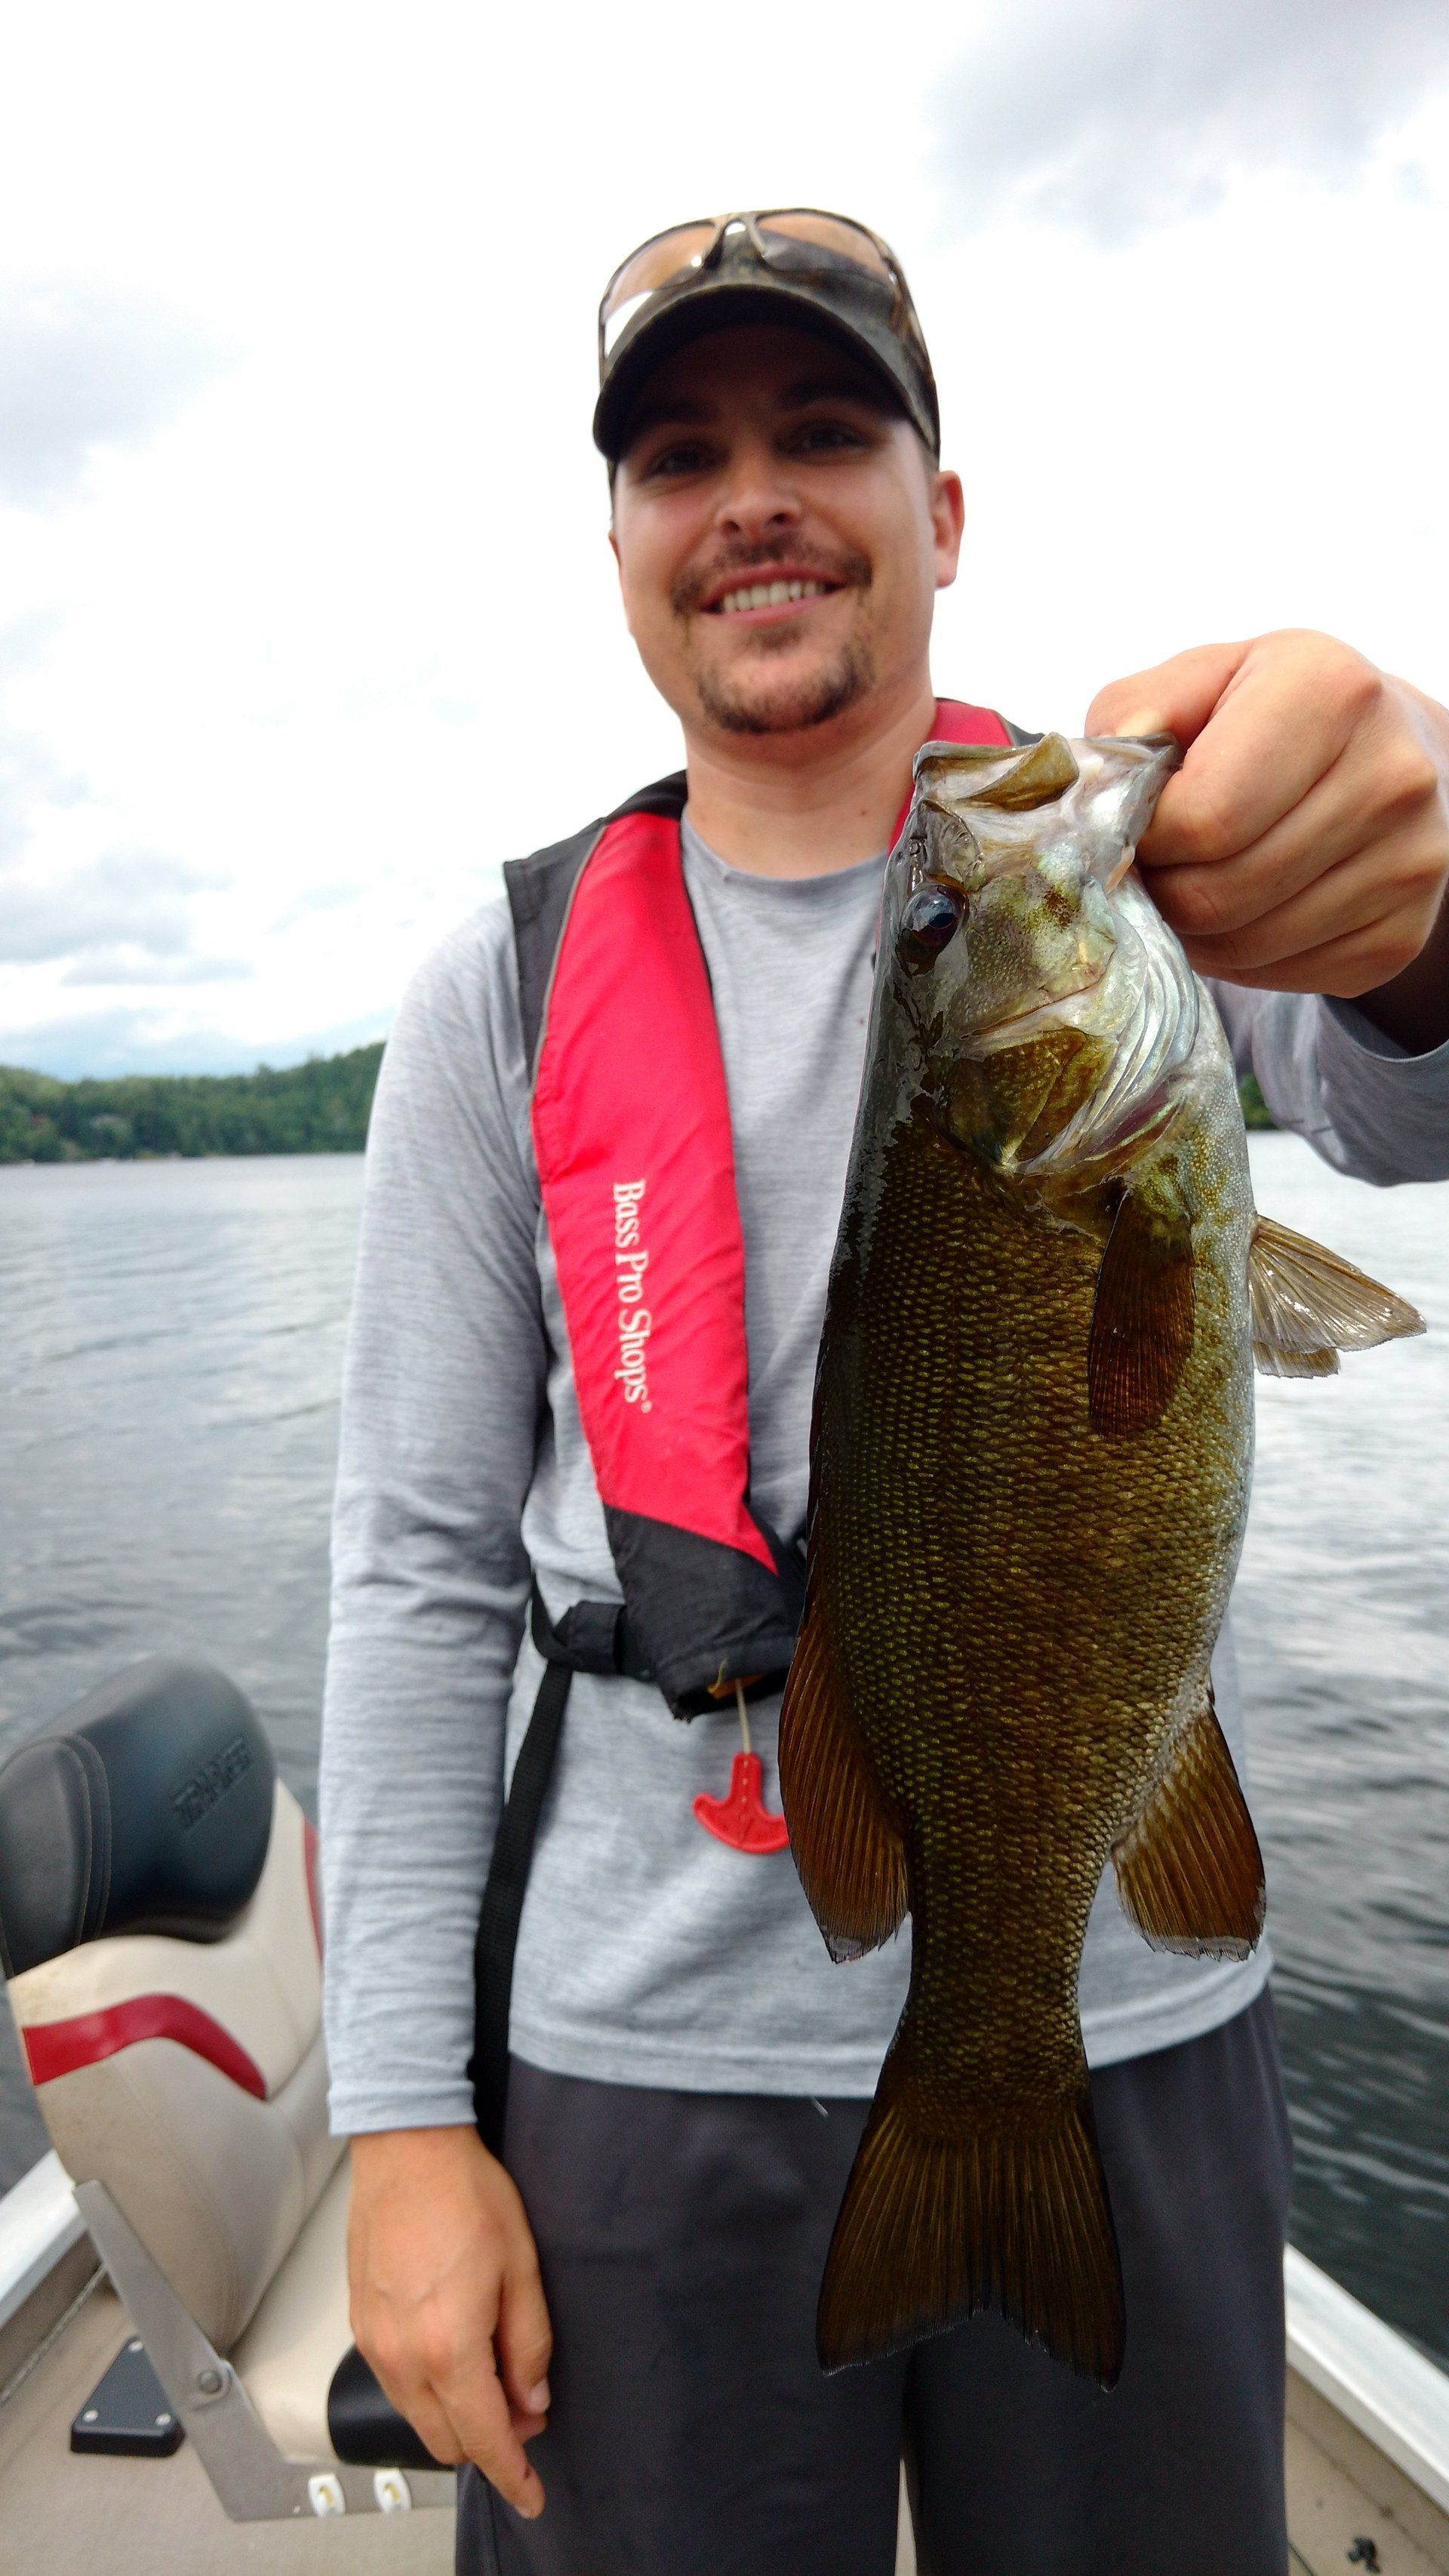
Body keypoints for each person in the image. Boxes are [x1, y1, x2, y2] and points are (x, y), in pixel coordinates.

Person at [318, 211, 1449, 2576]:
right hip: (633, 2067)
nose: (754, 496)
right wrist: (407, 2130)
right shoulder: (494, 995)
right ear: (621, 543)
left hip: (1122, 2011)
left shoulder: (1145, 905)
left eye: (828, 433)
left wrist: (1419, 919)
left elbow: (1402, 1103)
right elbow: (418, 1576)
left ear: (941, 516)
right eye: (681, 455)